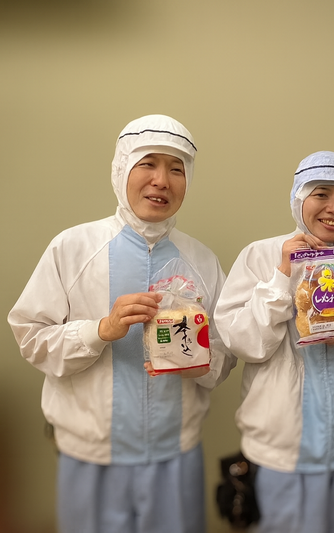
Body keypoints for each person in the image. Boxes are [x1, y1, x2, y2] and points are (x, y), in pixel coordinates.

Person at [7, 114, 236, 533]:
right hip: (91, 458)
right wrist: (100, 331)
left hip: (174, 455)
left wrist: (195, 360)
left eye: (176, 169)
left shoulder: (202, 261)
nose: (161, 181)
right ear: (121, 169)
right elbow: (32, 338)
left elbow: (224, 356)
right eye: (147, 164)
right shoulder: (72, 249)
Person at [213, 150, 334, 533]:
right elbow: (244, 344)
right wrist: (282, 276)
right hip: (280, 452)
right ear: (298, 199)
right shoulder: (260, 257)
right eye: (321, 194)